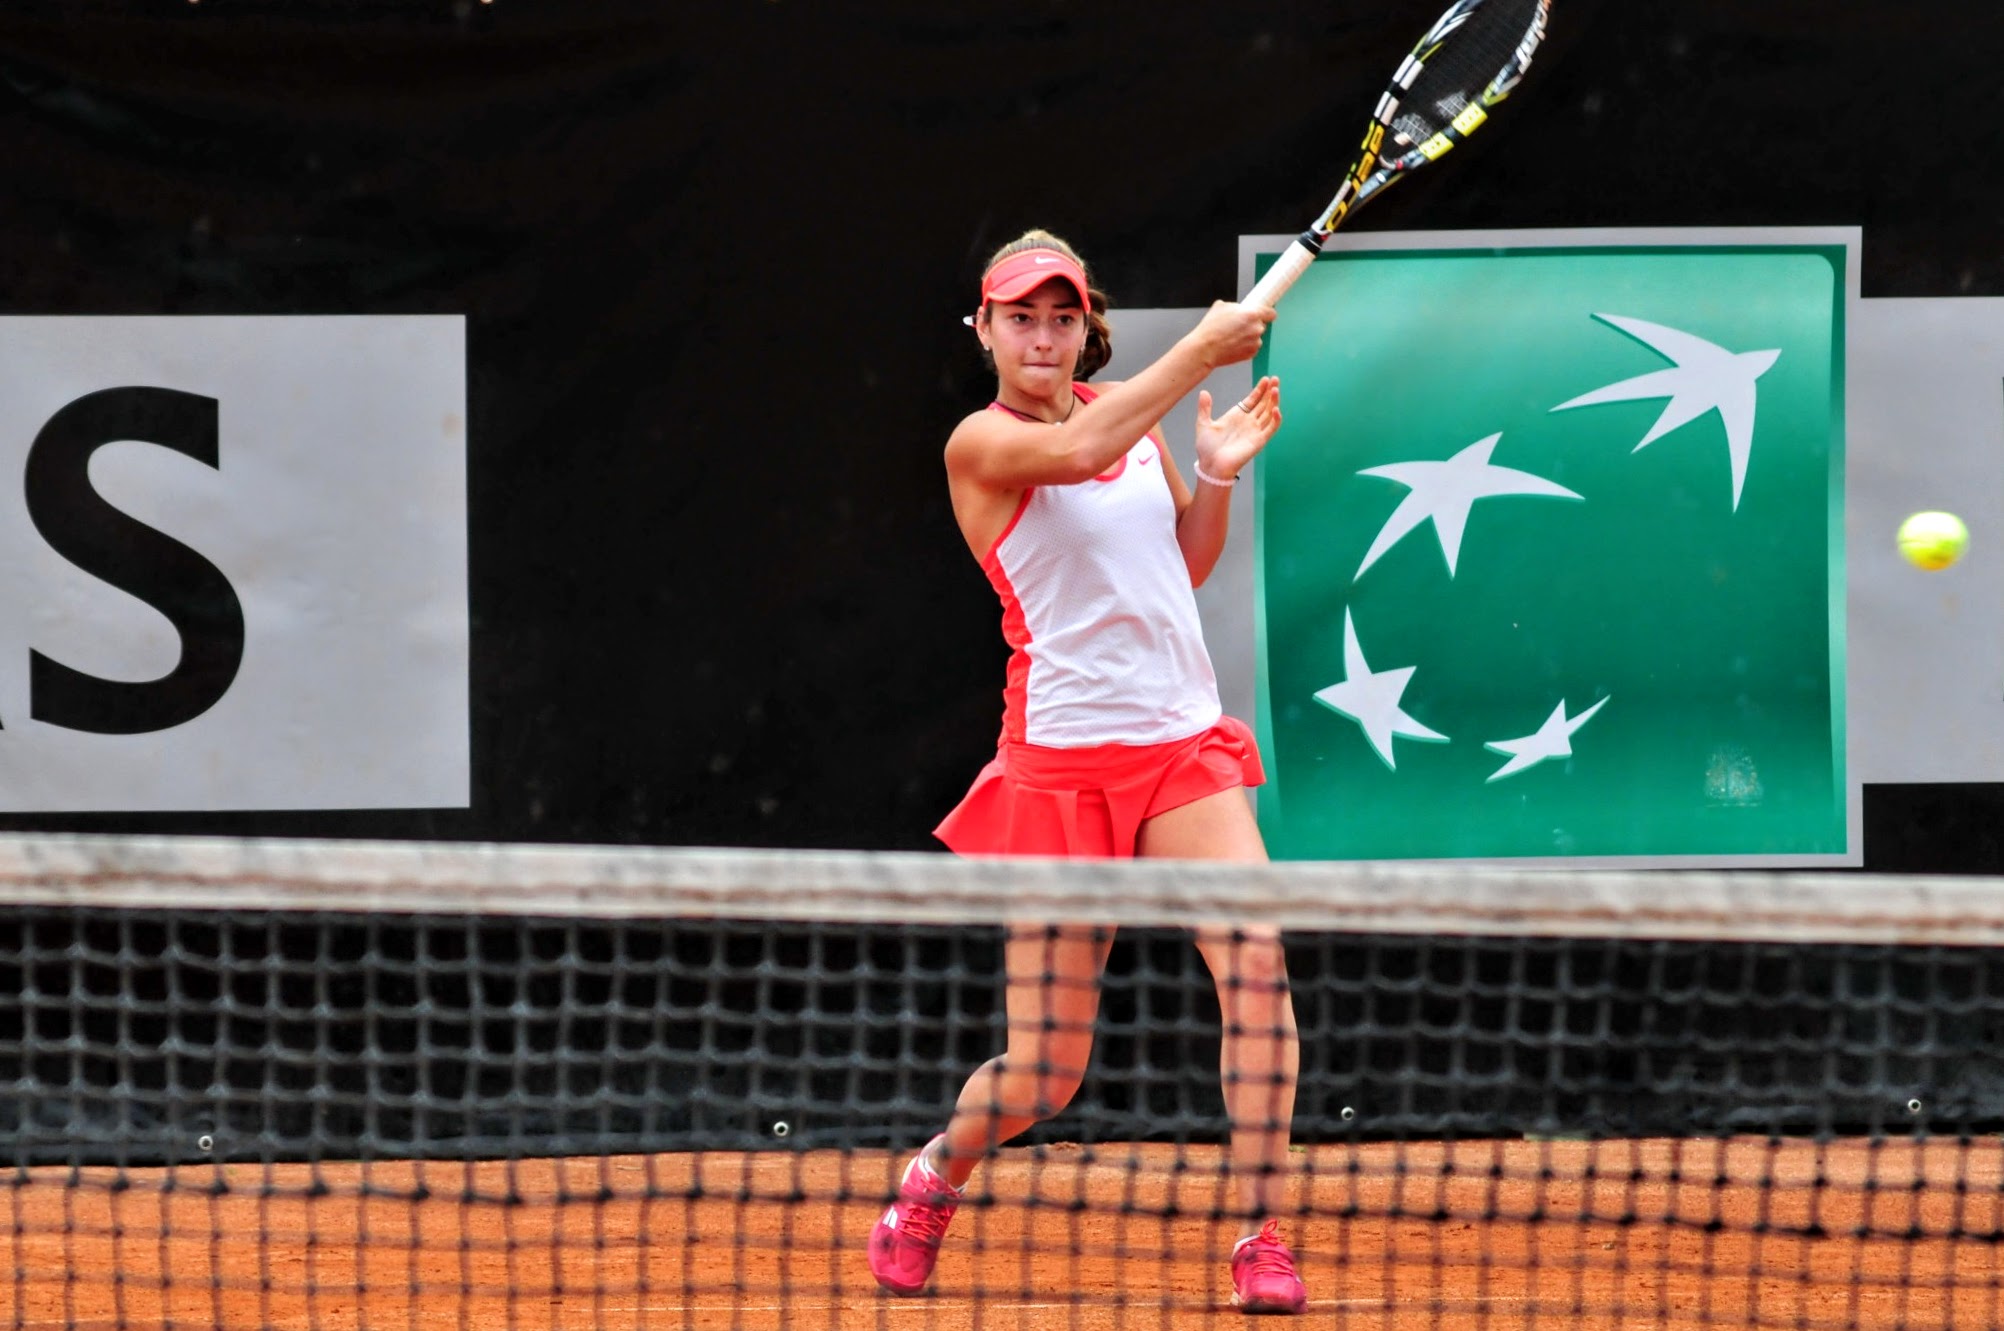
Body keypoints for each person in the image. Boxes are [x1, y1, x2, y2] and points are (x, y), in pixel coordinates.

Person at [867, 230, 1305, 1314]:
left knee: (1256, 965)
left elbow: (1181, 567)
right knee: (1045, 1072)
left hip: (1182, 749)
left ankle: (1261, 1228)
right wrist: (1202, 352)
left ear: (1086, 327)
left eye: (1062, 316)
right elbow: (1071, 455)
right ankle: (934, 1176)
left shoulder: (1137, 428)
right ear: (985, 329)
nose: (1044, 334)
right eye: (1021, 315)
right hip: (1060, 770)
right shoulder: (982, 443)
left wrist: (1210, 475)